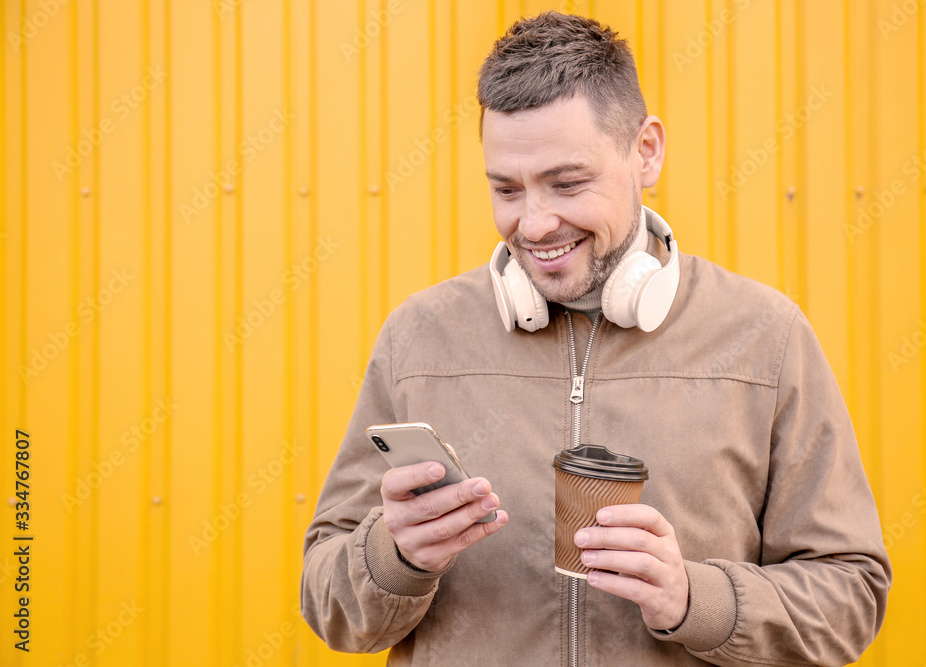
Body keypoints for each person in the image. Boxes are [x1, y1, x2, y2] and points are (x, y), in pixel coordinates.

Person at [301, 11, 891, 666]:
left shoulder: (766, 337)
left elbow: (850, 595)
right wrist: (396, 555)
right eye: (506, 189)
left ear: (646, 151)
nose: (534, 223)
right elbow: (329, 603)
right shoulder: (420, 336)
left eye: (567, 182)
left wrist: (695, 597)